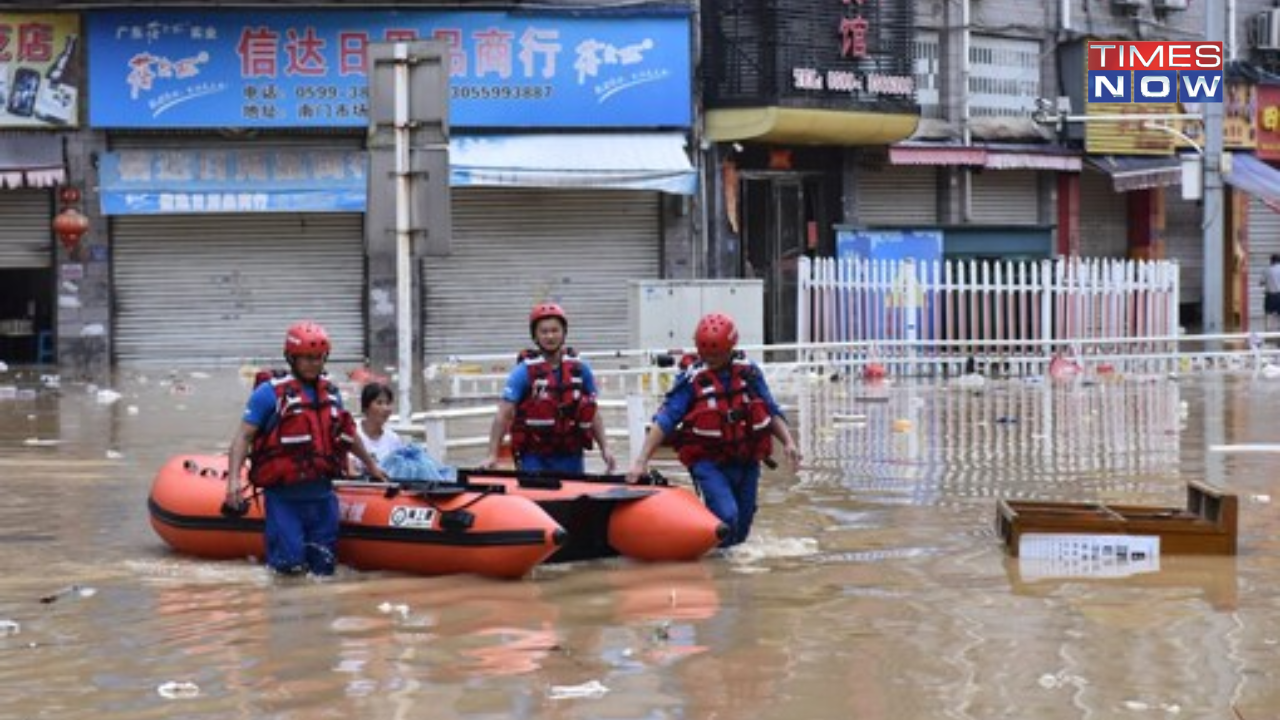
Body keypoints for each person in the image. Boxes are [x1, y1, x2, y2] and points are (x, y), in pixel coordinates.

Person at [226, 320, 388, 576]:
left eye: (318, 357)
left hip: (323, 499)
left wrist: (371, 466)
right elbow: (243, 437)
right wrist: (233, 480)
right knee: (289, 570)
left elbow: (348, 435)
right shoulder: (269, 394)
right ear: (292, 357)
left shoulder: (332, 393)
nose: (314, 363)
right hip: (284, 500)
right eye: (307, 358)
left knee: (323, 570)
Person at [626, 312, 800, 547]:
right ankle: (717, 567)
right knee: (727, 516)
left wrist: (788, 442)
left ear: (731, 347)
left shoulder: (749, 373)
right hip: (709, 462)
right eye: (706, 354)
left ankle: (728, 572)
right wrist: (641, 460)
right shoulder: (692, 380)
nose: (711, 359)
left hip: (747, 460)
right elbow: (665, 419)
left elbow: (769, 409)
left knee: (742, 529)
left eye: (717, 354)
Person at [481, 302, 616, 475]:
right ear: (535, 336)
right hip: (534, 456)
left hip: (570, 455)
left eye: (555, 330)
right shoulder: (523, 372)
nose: (550, 336)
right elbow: (503, 414)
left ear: (564, 333)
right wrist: (492, 454)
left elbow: (593, 413)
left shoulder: (581, 369)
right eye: (544, 332)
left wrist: (605, 448)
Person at [349, 381, 404, 476]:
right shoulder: (353, 432)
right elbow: (350, 470)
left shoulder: (393, 439)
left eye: (388, 403)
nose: (385, 408)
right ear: (366, 407)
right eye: (379, 403)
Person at [1263, 254, 1280, 332]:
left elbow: (1261, 282)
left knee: (1268, 314)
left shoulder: (1267, 270)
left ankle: (1268, 331)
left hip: (1270, 296)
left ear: (1271, 261)